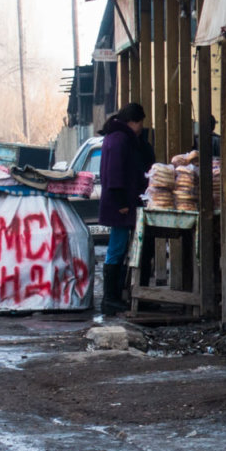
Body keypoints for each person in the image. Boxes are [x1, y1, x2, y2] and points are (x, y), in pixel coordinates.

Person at [97, 102, 151, 311]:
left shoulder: (116, 137)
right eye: (140, 123)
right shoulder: (120, 140)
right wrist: (121, 202)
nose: (140, 128)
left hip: (119, 202)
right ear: (133, 121)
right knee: (117, 248)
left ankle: (114, 296)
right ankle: (110, 299)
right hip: (119, 203)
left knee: (118, 248)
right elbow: (116, 173)